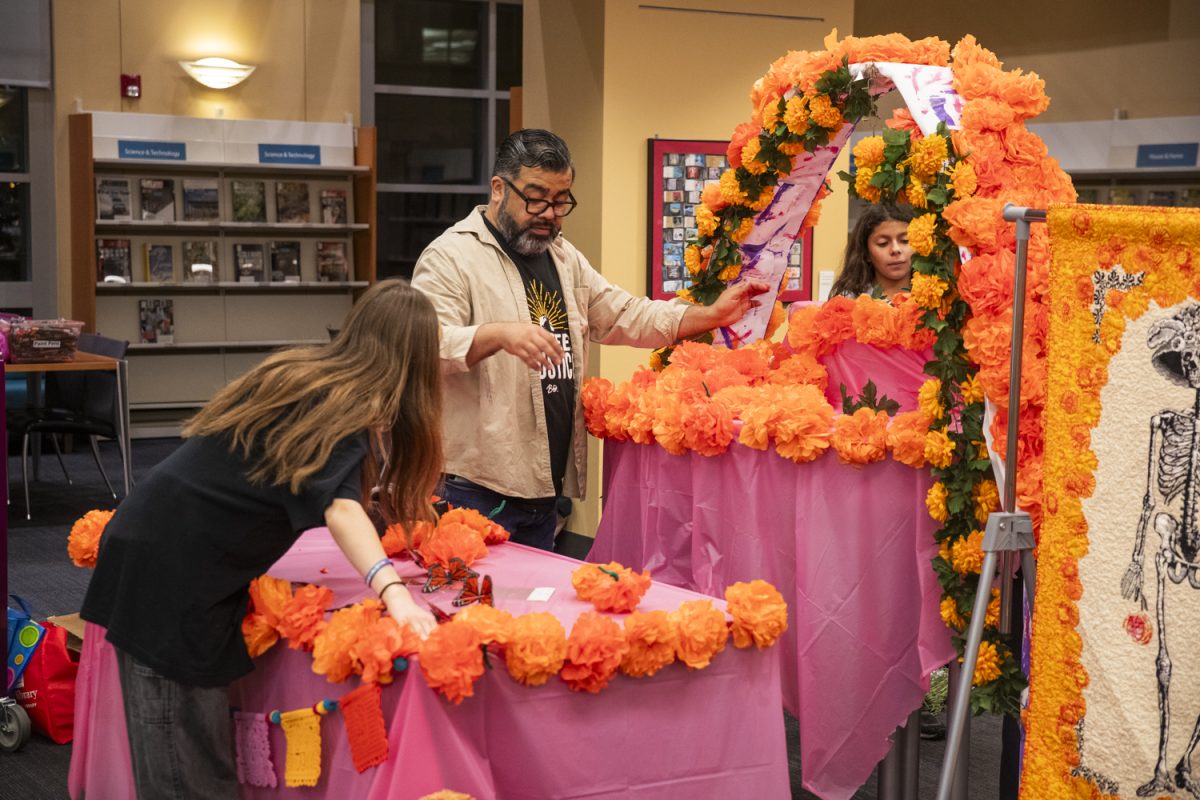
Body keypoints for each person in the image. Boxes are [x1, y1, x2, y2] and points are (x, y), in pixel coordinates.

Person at [80, 279, 442, 799]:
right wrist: (396, 595)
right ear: (415, 362)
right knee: (183, 774)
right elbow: (340, 509)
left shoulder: (318, 380)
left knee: (201, 759)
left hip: (169, 554)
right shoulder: (343, 404)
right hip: (166, 575)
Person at [412, 129, 767, 550]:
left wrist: (709, 315)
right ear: (498, 189)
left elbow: (625, 314)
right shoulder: (452, 256)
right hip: (474, 488)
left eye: (561, 201)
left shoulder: (563, 258)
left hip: (544, 489)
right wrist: (496, 335)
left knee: (535, 613)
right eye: (536, 197)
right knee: (476, 613)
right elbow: (426, 348)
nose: (549, 213)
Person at [828, 203, 915, 303]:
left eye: (905, 241)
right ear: (866, 252)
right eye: (883, 243)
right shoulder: (848, 301)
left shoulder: (933, 298)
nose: (895, 249)